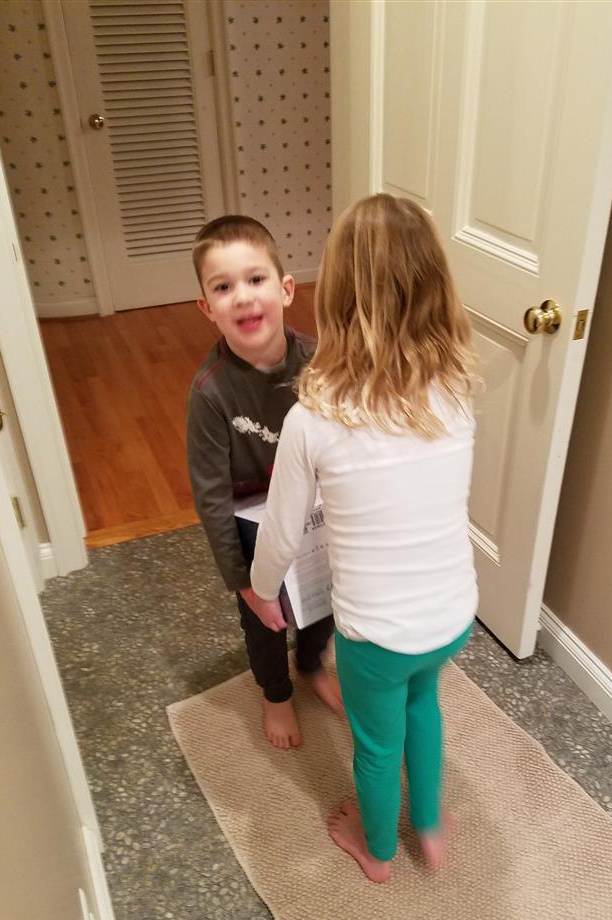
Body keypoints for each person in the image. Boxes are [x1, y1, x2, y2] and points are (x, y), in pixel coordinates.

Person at [244, 194, 479, 883]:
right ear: (436, 289)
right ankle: (428, 825)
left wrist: (262, 592)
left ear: (335, 297)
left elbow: (280, 532)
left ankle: (375, 850)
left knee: (376, 744)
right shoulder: (455, 393)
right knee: (422, 703)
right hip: (452, 615)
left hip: (376, 635)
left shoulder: (313, 419)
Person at [186, 215, 343, 751]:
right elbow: (210, 497)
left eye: (256, 279)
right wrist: (244, 583)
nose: (243, 297)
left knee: (324, 598)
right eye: (223, 287)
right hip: (251, 519)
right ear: (207, 308)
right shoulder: (210, 393)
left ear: (286, 289)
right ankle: (275, 692)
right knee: (266, 619)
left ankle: (312, 660)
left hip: (316, 509)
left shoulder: (322, 362)